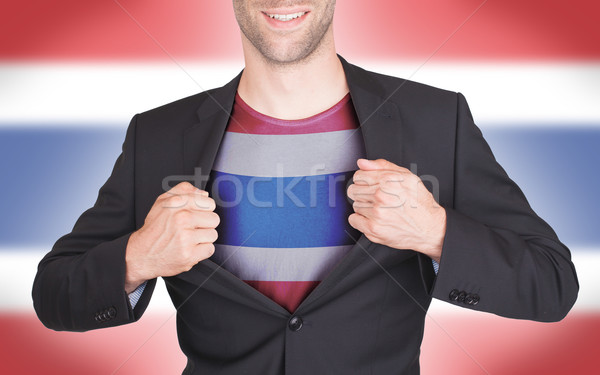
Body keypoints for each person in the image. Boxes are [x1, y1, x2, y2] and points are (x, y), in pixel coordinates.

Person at [32, 1, 579, 374]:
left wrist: (437, 232)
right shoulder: (158, 135)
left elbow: (552, 284)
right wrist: (137, 257)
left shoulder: (436, 120)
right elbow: (54, 294)